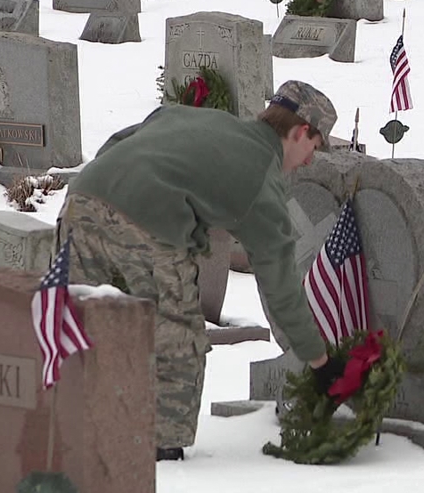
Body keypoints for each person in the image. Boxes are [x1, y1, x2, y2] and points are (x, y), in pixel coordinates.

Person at [55, 81, 347, 461]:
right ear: (300, 131)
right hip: (150, 226)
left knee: (72, 320)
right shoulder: (262, 179)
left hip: (81, 202)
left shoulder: (201, 120)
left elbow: (121, 140)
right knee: (180, 337)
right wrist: (318, 361)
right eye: (315, 147)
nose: (310, 160)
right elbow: (280, 285)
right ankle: (162, 448)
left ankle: (58, 422)